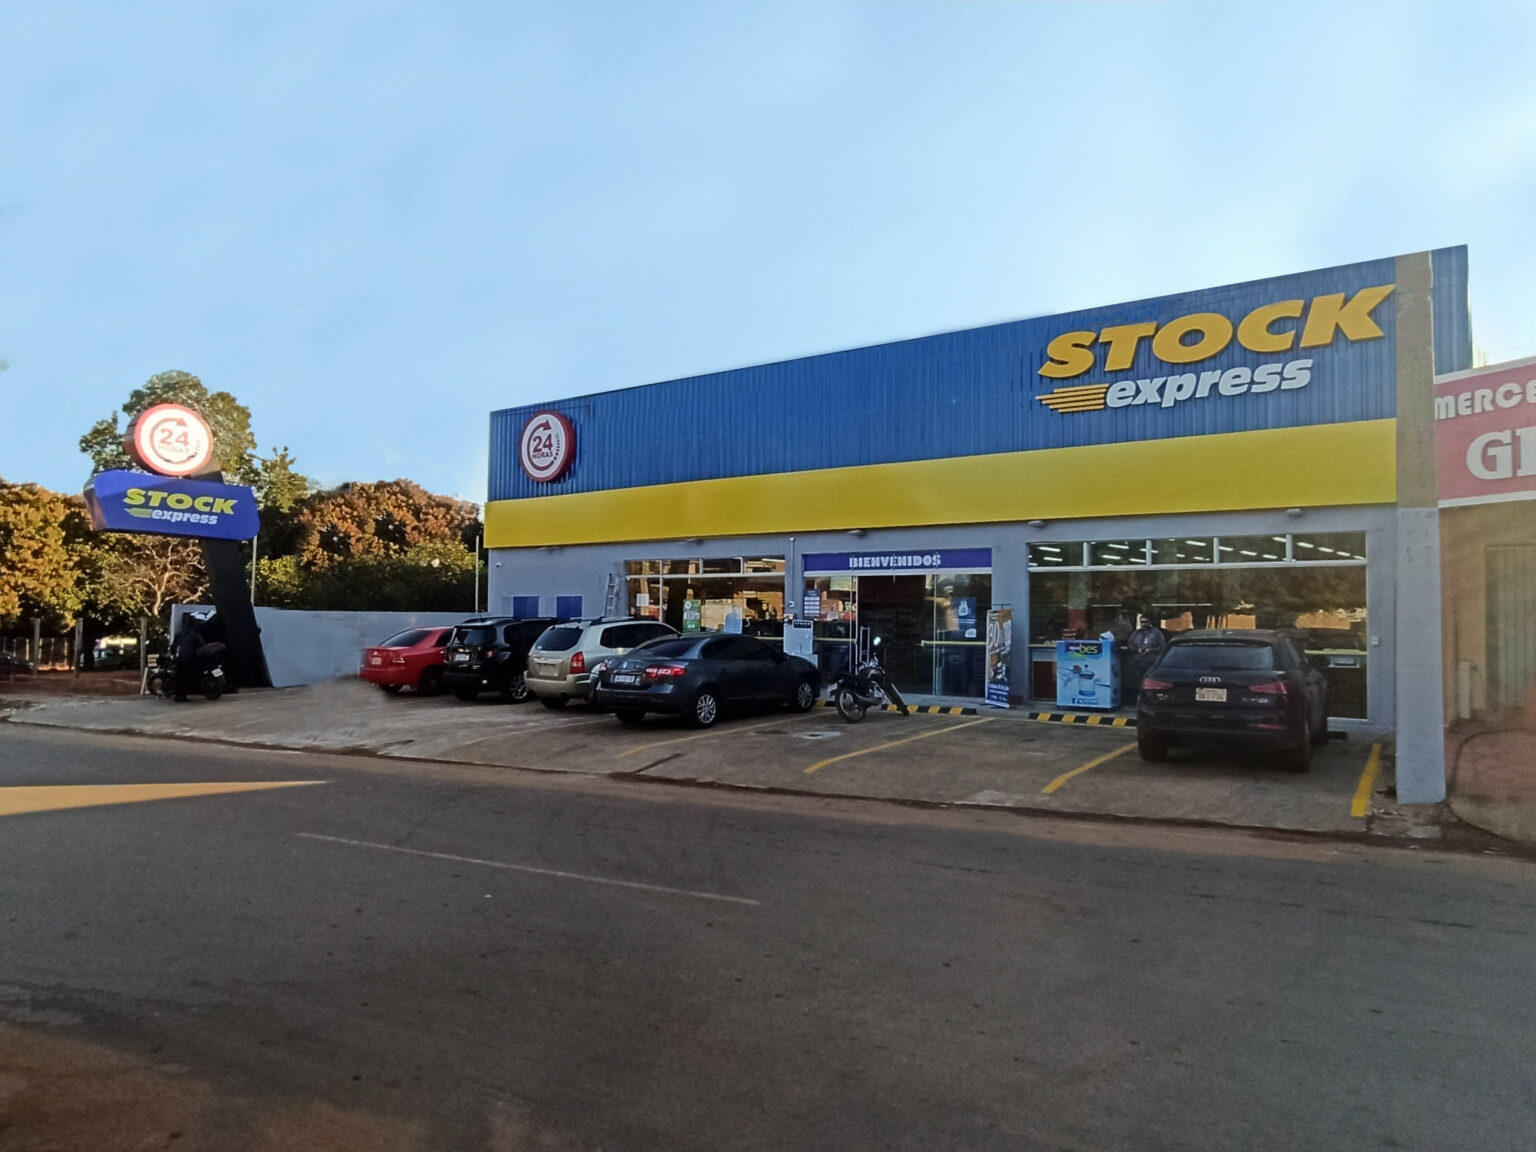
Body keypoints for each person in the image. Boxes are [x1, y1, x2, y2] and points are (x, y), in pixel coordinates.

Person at [1125, 612, 1167, 704]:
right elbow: (1130, 645)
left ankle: (1150, 701)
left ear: (1150, 622)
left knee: (1150, 684)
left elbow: (1162, 647)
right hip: (1137, 663)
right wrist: (1137, 650)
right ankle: (1136, 700)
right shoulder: (1136, 633)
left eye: (1145, 622)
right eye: (1142, 622)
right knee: (1136, 683)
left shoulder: (1157, 633)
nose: (1143, 624)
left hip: (1151, 663)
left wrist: (1150, 650)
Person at [170, 614, 205, 702]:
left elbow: (173, 646)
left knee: (179, 677)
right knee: (187, 676)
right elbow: (202, 646)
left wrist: (174, 655)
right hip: (190, 658)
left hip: (181, 658)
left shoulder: (179, 634)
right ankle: (183, 694)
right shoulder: (195, 635)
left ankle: (179, 695)